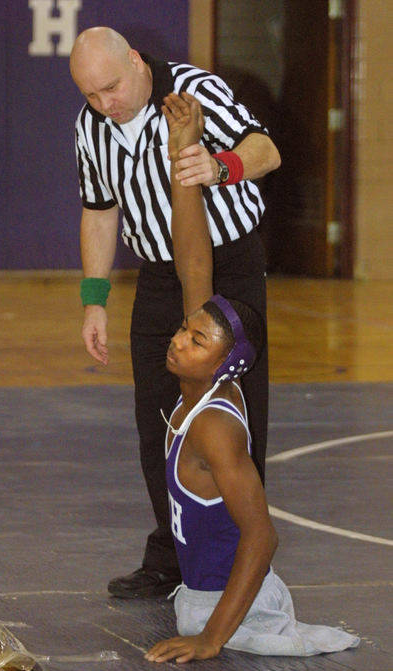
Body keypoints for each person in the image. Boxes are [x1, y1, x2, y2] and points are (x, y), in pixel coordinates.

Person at [69, 26, 281, 598]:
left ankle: (244, 557)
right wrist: (94, 301)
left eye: (110, 88)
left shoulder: (194, 91)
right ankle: (171, 555)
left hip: (228, 264)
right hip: (159, 275)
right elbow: (99, 210)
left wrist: (221, 167)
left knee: (234, 414)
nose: (103, 105)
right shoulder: (91, 126)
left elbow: (267, 151)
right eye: (90, 95)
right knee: (156, 418)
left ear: (136, 62)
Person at [143, 294, 360, 662]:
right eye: (183, 328)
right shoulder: (194, 396)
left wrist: (211, 638)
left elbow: (262, 536)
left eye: (197, 341)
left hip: (235, 609)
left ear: (228, 364)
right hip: (204, 597)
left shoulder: (214, 426)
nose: (178, 341)